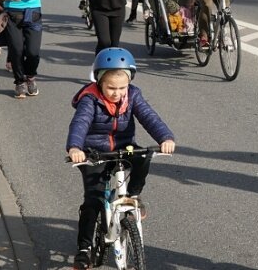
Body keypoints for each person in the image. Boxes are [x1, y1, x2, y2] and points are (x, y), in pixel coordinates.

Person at [66, 47, 176, 270]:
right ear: (98, 82)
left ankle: (134, 194)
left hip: (124, 146)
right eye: (111, 88)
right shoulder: (90, 100)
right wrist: (75, 147)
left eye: (122, 88)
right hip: (94, 152)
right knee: (93, 200)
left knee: (144, 157)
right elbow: (80, 124)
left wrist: (165, 137)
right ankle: (84, 250)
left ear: (129, 83)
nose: (117, 93)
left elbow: (149, 116)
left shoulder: (133, 95)